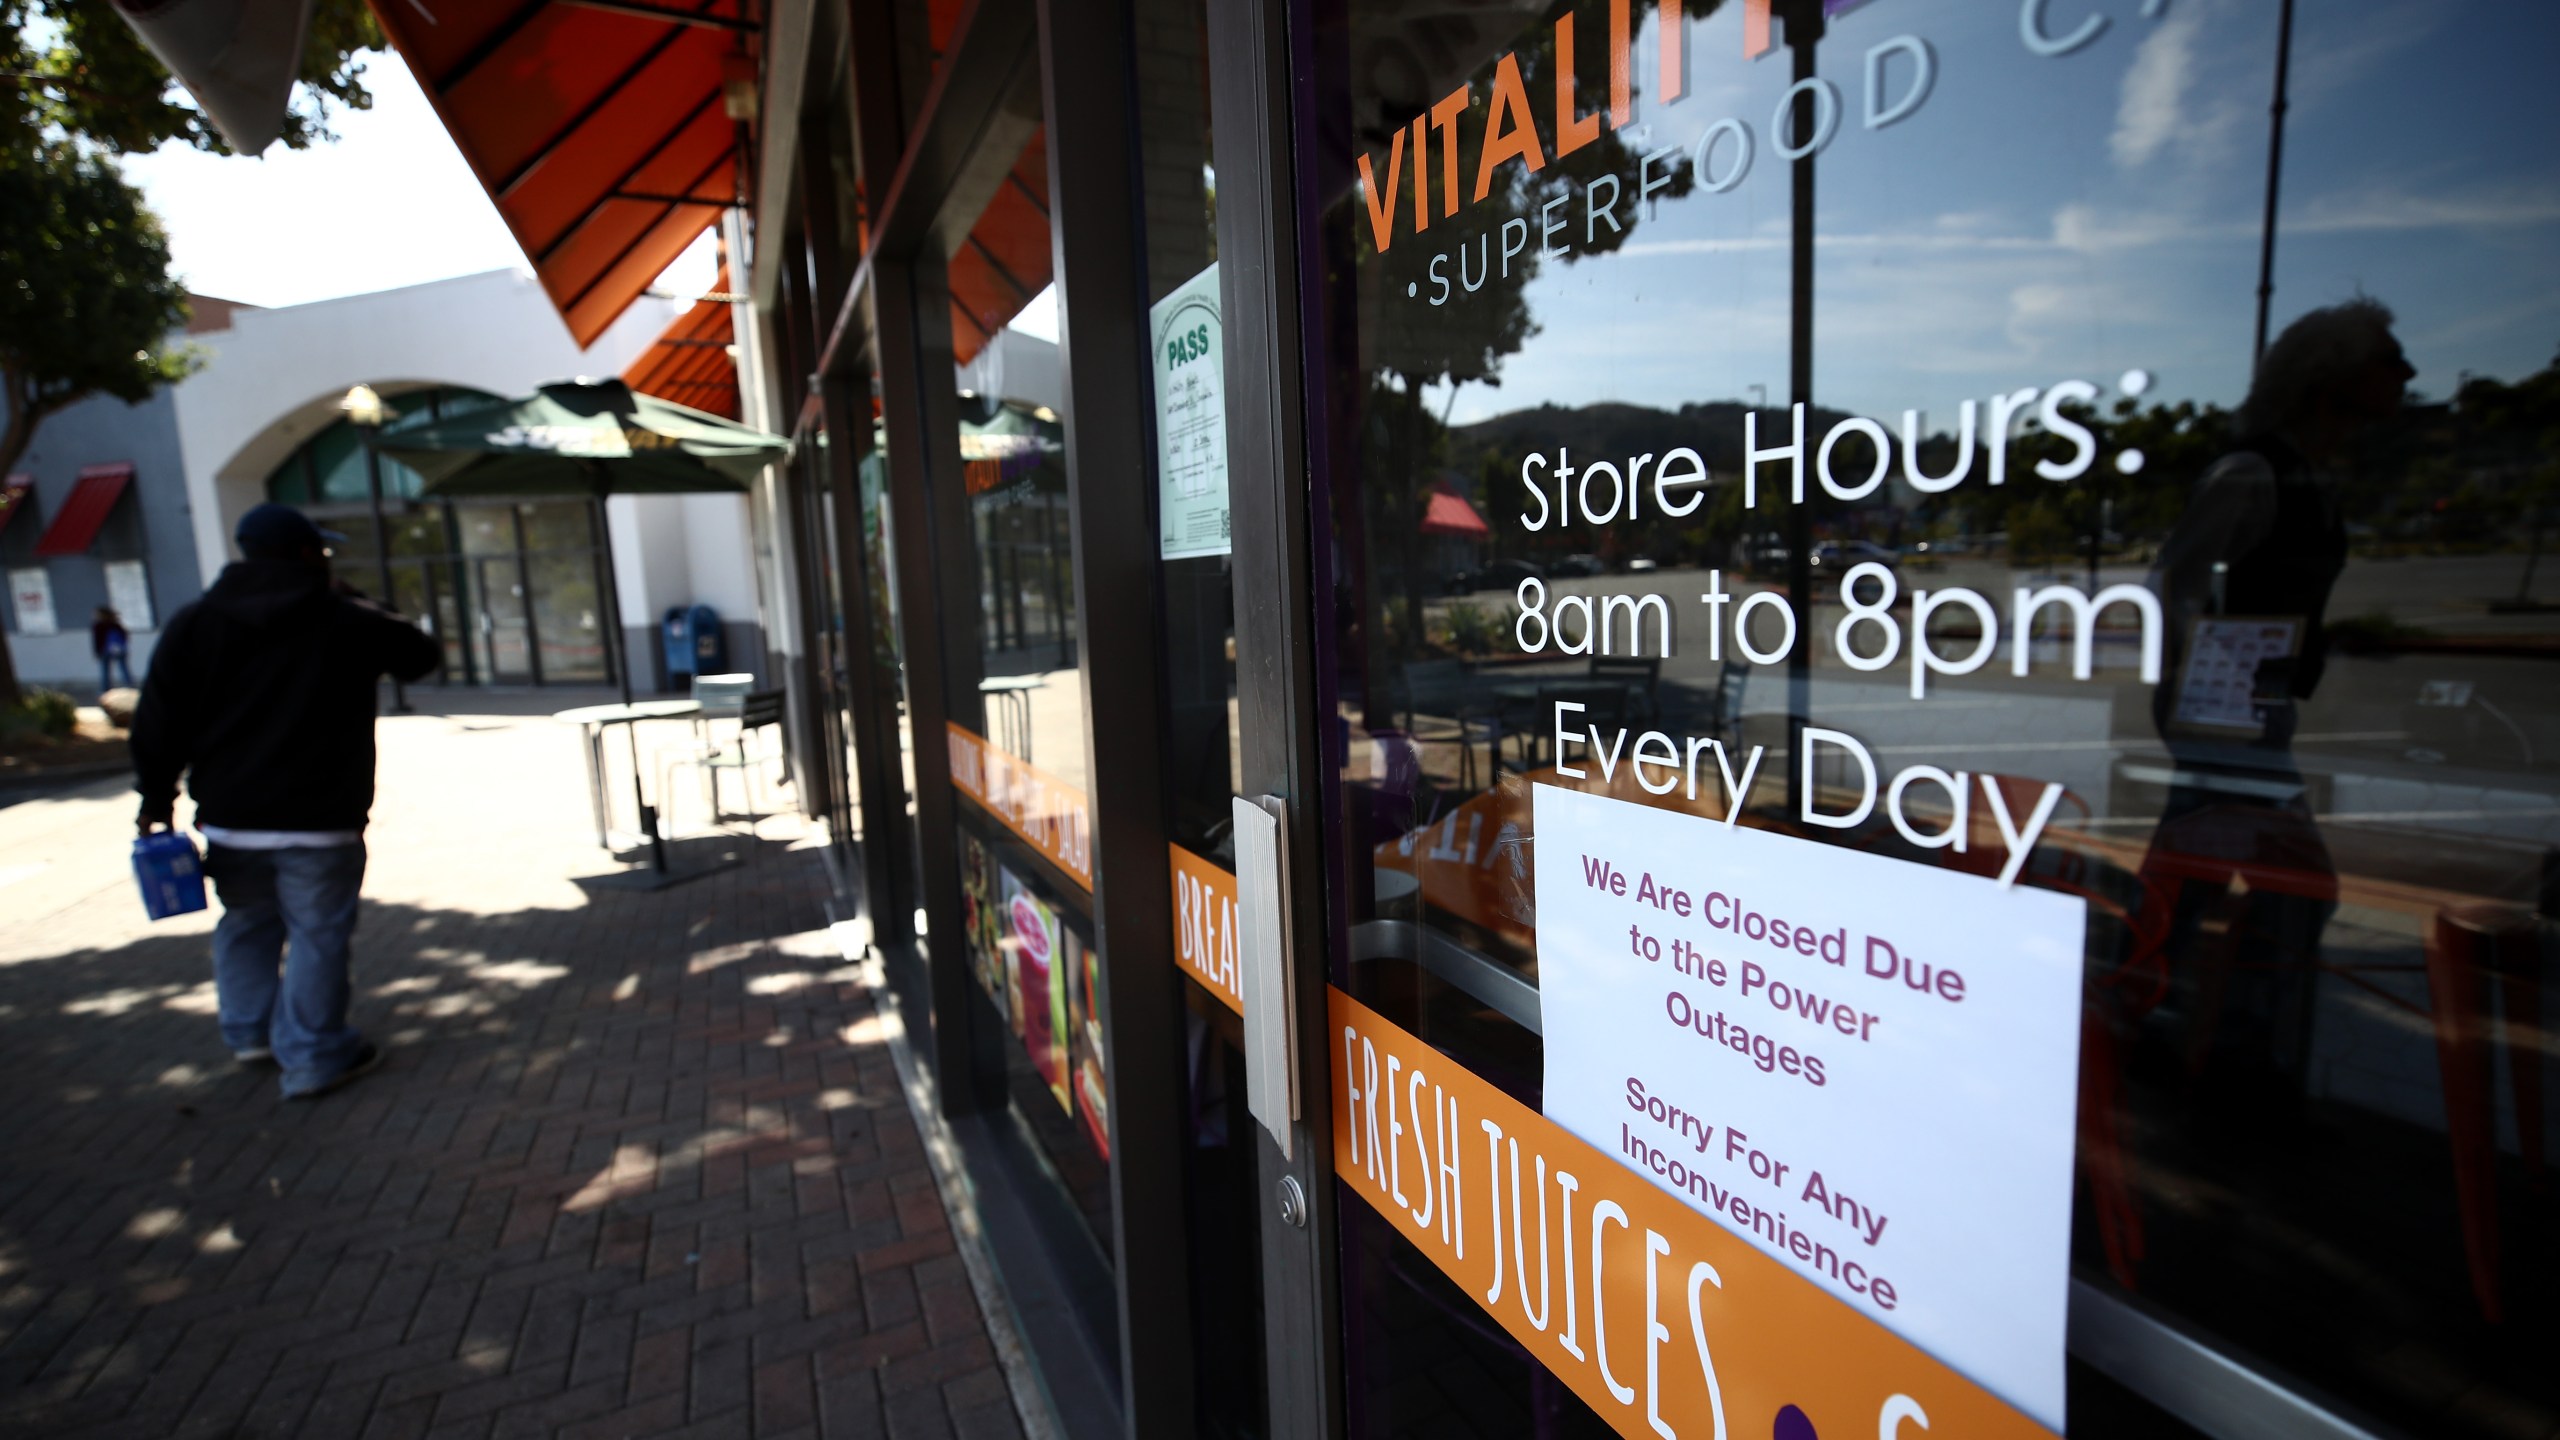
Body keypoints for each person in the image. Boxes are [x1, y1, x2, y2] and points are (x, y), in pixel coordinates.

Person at [131, 503, 441, 1099]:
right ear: (306, 554)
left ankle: (250, 1032)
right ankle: (314, 1055)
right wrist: (358, 598)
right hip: (320, 821)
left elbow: (158, 721)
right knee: (317, 935)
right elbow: (420, 656)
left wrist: (155, 799)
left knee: (246, 923)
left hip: (231, 820)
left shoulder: (196, 623)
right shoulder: (343, 617)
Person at [91, 605, 133, 691]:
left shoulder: (98, 625)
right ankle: (129, 686)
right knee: (123, 669)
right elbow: (125, 636)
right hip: (119, 650)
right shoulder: (115, 624)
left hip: (104, 650)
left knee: (105, 671)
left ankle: (105, 689)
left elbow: (97, 640)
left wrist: (97, 652)